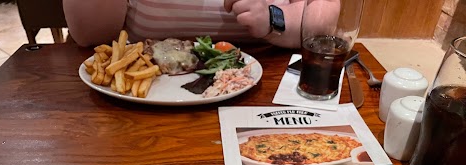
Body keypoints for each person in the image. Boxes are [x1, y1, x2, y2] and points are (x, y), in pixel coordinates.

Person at [64, 0, 339, 49]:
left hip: (267, 78)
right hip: (140, 94)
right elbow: (90, 35)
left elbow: (324, 12)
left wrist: (273, 19)